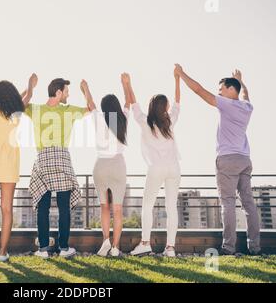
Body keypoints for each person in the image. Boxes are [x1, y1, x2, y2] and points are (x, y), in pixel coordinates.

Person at [174, 64, 260, 255]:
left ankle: (228, 247)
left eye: (221, 89)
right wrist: (240, 81)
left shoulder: (226, 104)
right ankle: (255, 247)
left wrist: (181, 74)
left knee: (227, 202)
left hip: (227, 159)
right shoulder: (247, 107)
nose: (218, 93)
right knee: (249, 204)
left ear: (231, 90)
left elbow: (199, 91)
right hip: (245, 159)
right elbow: (245, 95)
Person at [25, 77, 95, 259]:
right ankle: (63, 248)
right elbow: (92, 109)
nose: (68, 95)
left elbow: (19, 104)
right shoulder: (68, 111)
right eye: (66, 92)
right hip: (61, 158)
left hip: (43, 159)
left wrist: (30, 87)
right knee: (64, 207)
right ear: (58, 92)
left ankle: (43, 249)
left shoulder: (36, 109)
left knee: (43, 206)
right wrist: (85, 89)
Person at [0, 73, 37, 263]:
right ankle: (3, 252)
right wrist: (30, 84)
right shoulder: (17, 110)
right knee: (7, 209)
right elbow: (26, 97)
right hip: (9, 161)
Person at [126, 70, 181, 257]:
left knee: (147, 206)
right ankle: (170, 248)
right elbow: (178, 101)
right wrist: (176, 79)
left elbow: (133, 102)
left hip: (156, 168)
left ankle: (145, 243)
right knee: (171, 207)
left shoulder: (145, 122)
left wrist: (127, 83)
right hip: (174, 167)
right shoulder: (170, 121)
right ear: (164, 107)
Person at [88, 76, 130, 257]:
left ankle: (105, 241)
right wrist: (125, 84)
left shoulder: (98, 118)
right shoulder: (123, 118)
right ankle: (115, 247)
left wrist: (85, 87)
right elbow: (128, 101)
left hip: (101, 165)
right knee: (118, 210)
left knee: (104, 207)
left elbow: (90, 103)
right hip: (118, 165)